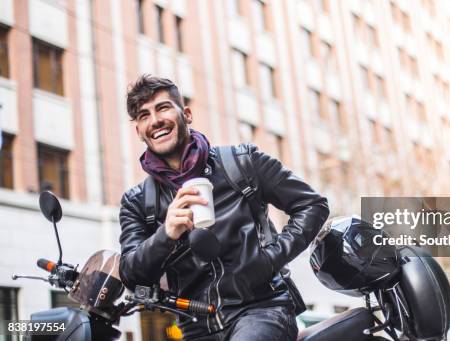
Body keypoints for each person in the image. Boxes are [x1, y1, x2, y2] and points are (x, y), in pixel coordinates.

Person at [118, 75, 330, 340]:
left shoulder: (242, 162)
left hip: (262, 310)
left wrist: (270, 258)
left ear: (186, 114)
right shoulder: (137, 202)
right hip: (195, 326)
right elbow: (131, 273)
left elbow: (312, 204)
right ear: (138, 130)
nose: (155, 120)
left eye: (163, 108)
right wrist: (166, 234)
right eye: (143, 115)